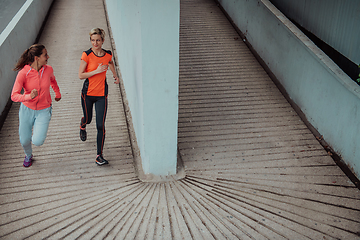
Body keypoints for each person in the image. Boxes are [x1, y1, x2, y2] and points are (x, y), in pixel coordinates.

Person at [11, 44, 61, 167]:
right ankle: (28, 155)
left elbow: (53, 80)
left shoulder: (48, 69)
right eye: (45, 55)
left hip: (44, 109)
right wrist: (28, 97)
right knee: (24, 140)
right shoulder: (23, 73)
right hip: (26, 110)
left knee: (37, 141)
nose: (48, 56)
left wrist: (57, 92)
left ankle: (35, 137)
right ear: (37, 58)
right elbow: (14, 95)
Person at [78, 28, 119, 166]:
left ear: (102, 40)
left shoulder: (107, 54)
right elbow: (80, 75)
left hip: (102, 95)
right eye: (93, 40)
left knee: (100, 125)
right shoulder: (87, 55)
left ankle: (99, 155)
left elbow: (111, 62)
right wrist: (96, 71)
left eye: (98, 40)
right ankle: (82, 126)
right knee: (88, 119)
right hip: (88, 94)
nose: (95, 43)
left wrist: (115, 75)